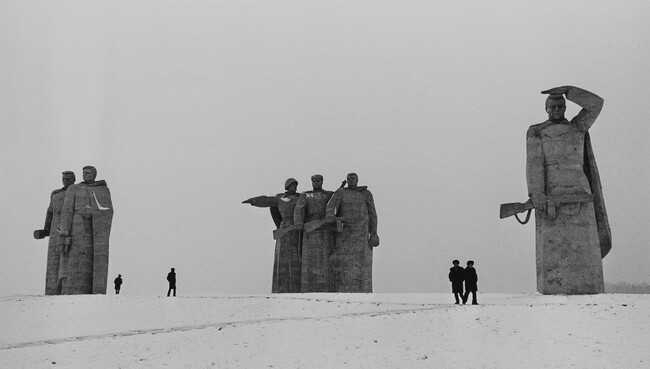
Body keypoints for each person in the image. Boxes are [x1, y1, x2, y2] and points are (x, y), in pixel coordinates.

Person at [526, 86, 610, 294]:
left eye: (561, 106)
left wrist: (569, 90)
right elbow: (534, 165)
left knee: (586, 254)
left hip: (582, 196)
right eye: (552, 106)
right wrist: (537, 195)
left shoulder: (578, 128)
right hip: (551, 200)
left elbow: (595, 104)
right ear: (546, 108)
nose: (557, 110)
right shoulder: (537, 131)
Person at [59, 166, 114, 294]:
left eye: (88, 173)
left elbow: (108, 211)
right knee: (73, 261)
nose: (85, 175)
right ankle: (71, 290)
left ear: (94, 174)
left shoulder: (103, 190)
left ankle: (92, 290)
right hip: (75, 229)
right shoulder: (74, 188)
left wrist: (93, 212)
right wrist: (64, 233)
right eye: (83, 173)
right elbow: (66, 212)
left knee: (91, 262)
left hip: (93, 233)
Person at [243, 178, 302, 293]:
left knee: (297, 256)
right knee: (283, 257)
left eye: (295, 185)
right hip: (284, 228)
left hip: (297, 229)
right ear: (287, 186)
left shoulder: (300, 197)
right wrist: (254, 201)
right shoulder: (280, 198)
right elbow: (267, 200)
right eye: (291, 185)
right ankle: (282, 287)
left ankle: (297, 287)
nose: (293, 187)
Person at [325, 173, 379, 292]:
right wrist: (329, 215)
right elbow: (331, 205)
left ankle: (362, 290)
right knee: (343, 262)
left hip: (362, 232)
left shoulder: (365, 193)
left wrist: (374, 232)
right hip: (344, 231)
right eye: (349, 179)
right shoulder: (340, 192)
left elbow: (372, 214)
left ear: (357, 180)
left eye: (353, 178)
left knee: (361, 264)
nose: (351, 180)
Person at [33, 170, 76, 295]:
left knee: (67, 262)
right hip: (54, 231)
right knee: (53, 262)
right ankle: (52, 291)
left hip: (70, 231)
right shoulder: (56, 194)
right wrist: (46, 230)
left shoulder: (77, 192)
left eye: (67, 179)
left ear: (73, 179)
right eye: (63, 179)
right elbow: (50, 213)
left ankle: (67, 291)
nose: (65, 181)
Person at [294, 174, 335, 292]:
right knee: (309, 260)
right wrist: (298, 222)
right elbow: (299, 209)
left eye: (318, 181)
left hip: (326, 230)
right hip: (310, 229)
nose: (316, 183)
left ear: (322, 181)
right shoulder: (305, 195)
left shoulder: (329, 194)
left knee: (326, 259)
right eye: (314, 181)